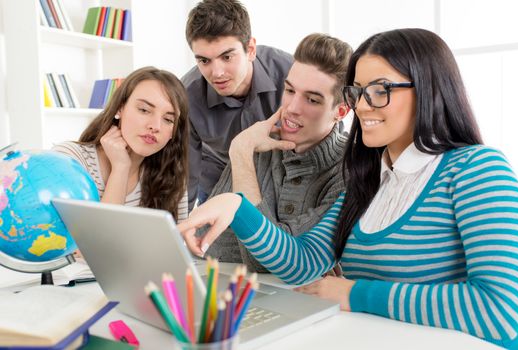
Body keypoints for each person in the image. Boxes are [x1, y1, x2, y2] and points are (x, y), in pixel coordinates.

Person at [178, 28, 518, 348]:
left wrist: (354, 293)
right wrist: (238, 209)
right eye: (357, 91)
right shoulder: (370, 180)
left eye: (380, 90)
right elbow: (303, 262)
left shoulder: (477, 169)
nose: (361, 105)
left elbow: (502, 311)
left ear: (429, 90)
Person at [204, 33, 351, 273]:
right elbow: (210, 243)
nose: (291, 109)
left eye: (312, 100)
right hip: (245, 293)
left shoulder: (350, 170)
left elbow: (263, 262)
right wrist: (281, 238)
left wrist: (240, 156)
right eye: (290, 91)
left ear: (341, 111)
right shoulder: (255, 144)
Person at [182, 0, 293, 208]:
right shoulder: (186, 96)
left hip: (283, 179)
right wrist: (179, 229)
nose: (217, 73)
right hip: (218, 182)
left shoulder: (290, 72)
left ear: (250, 49)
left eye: (226, 57)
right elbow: (186, 174)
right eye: (204, 61)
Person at [53, 66, 189, 221]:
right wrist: (120, 168)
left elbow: (174, 243)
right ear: (119, 108)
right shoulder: (70, 159)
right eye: (144, 110)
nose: (156, 126)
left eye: (168, 119)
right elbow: (102, 240)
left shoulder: (172, 177)